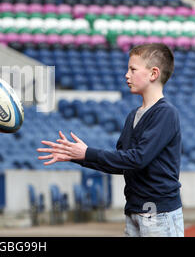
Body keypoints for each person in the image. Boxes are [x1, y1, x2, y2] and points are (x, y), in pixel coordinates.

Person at [37, 43, 184, 237]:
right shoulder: (133, 115)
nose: (126, 75)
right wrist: (77, 155)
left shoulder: (166, 113)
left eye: (133, 69)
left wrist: (87, 153)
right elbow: (122, 163)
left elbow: (138, 158)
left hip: (158, 213)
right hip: (134, 210)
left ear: (153, 74)